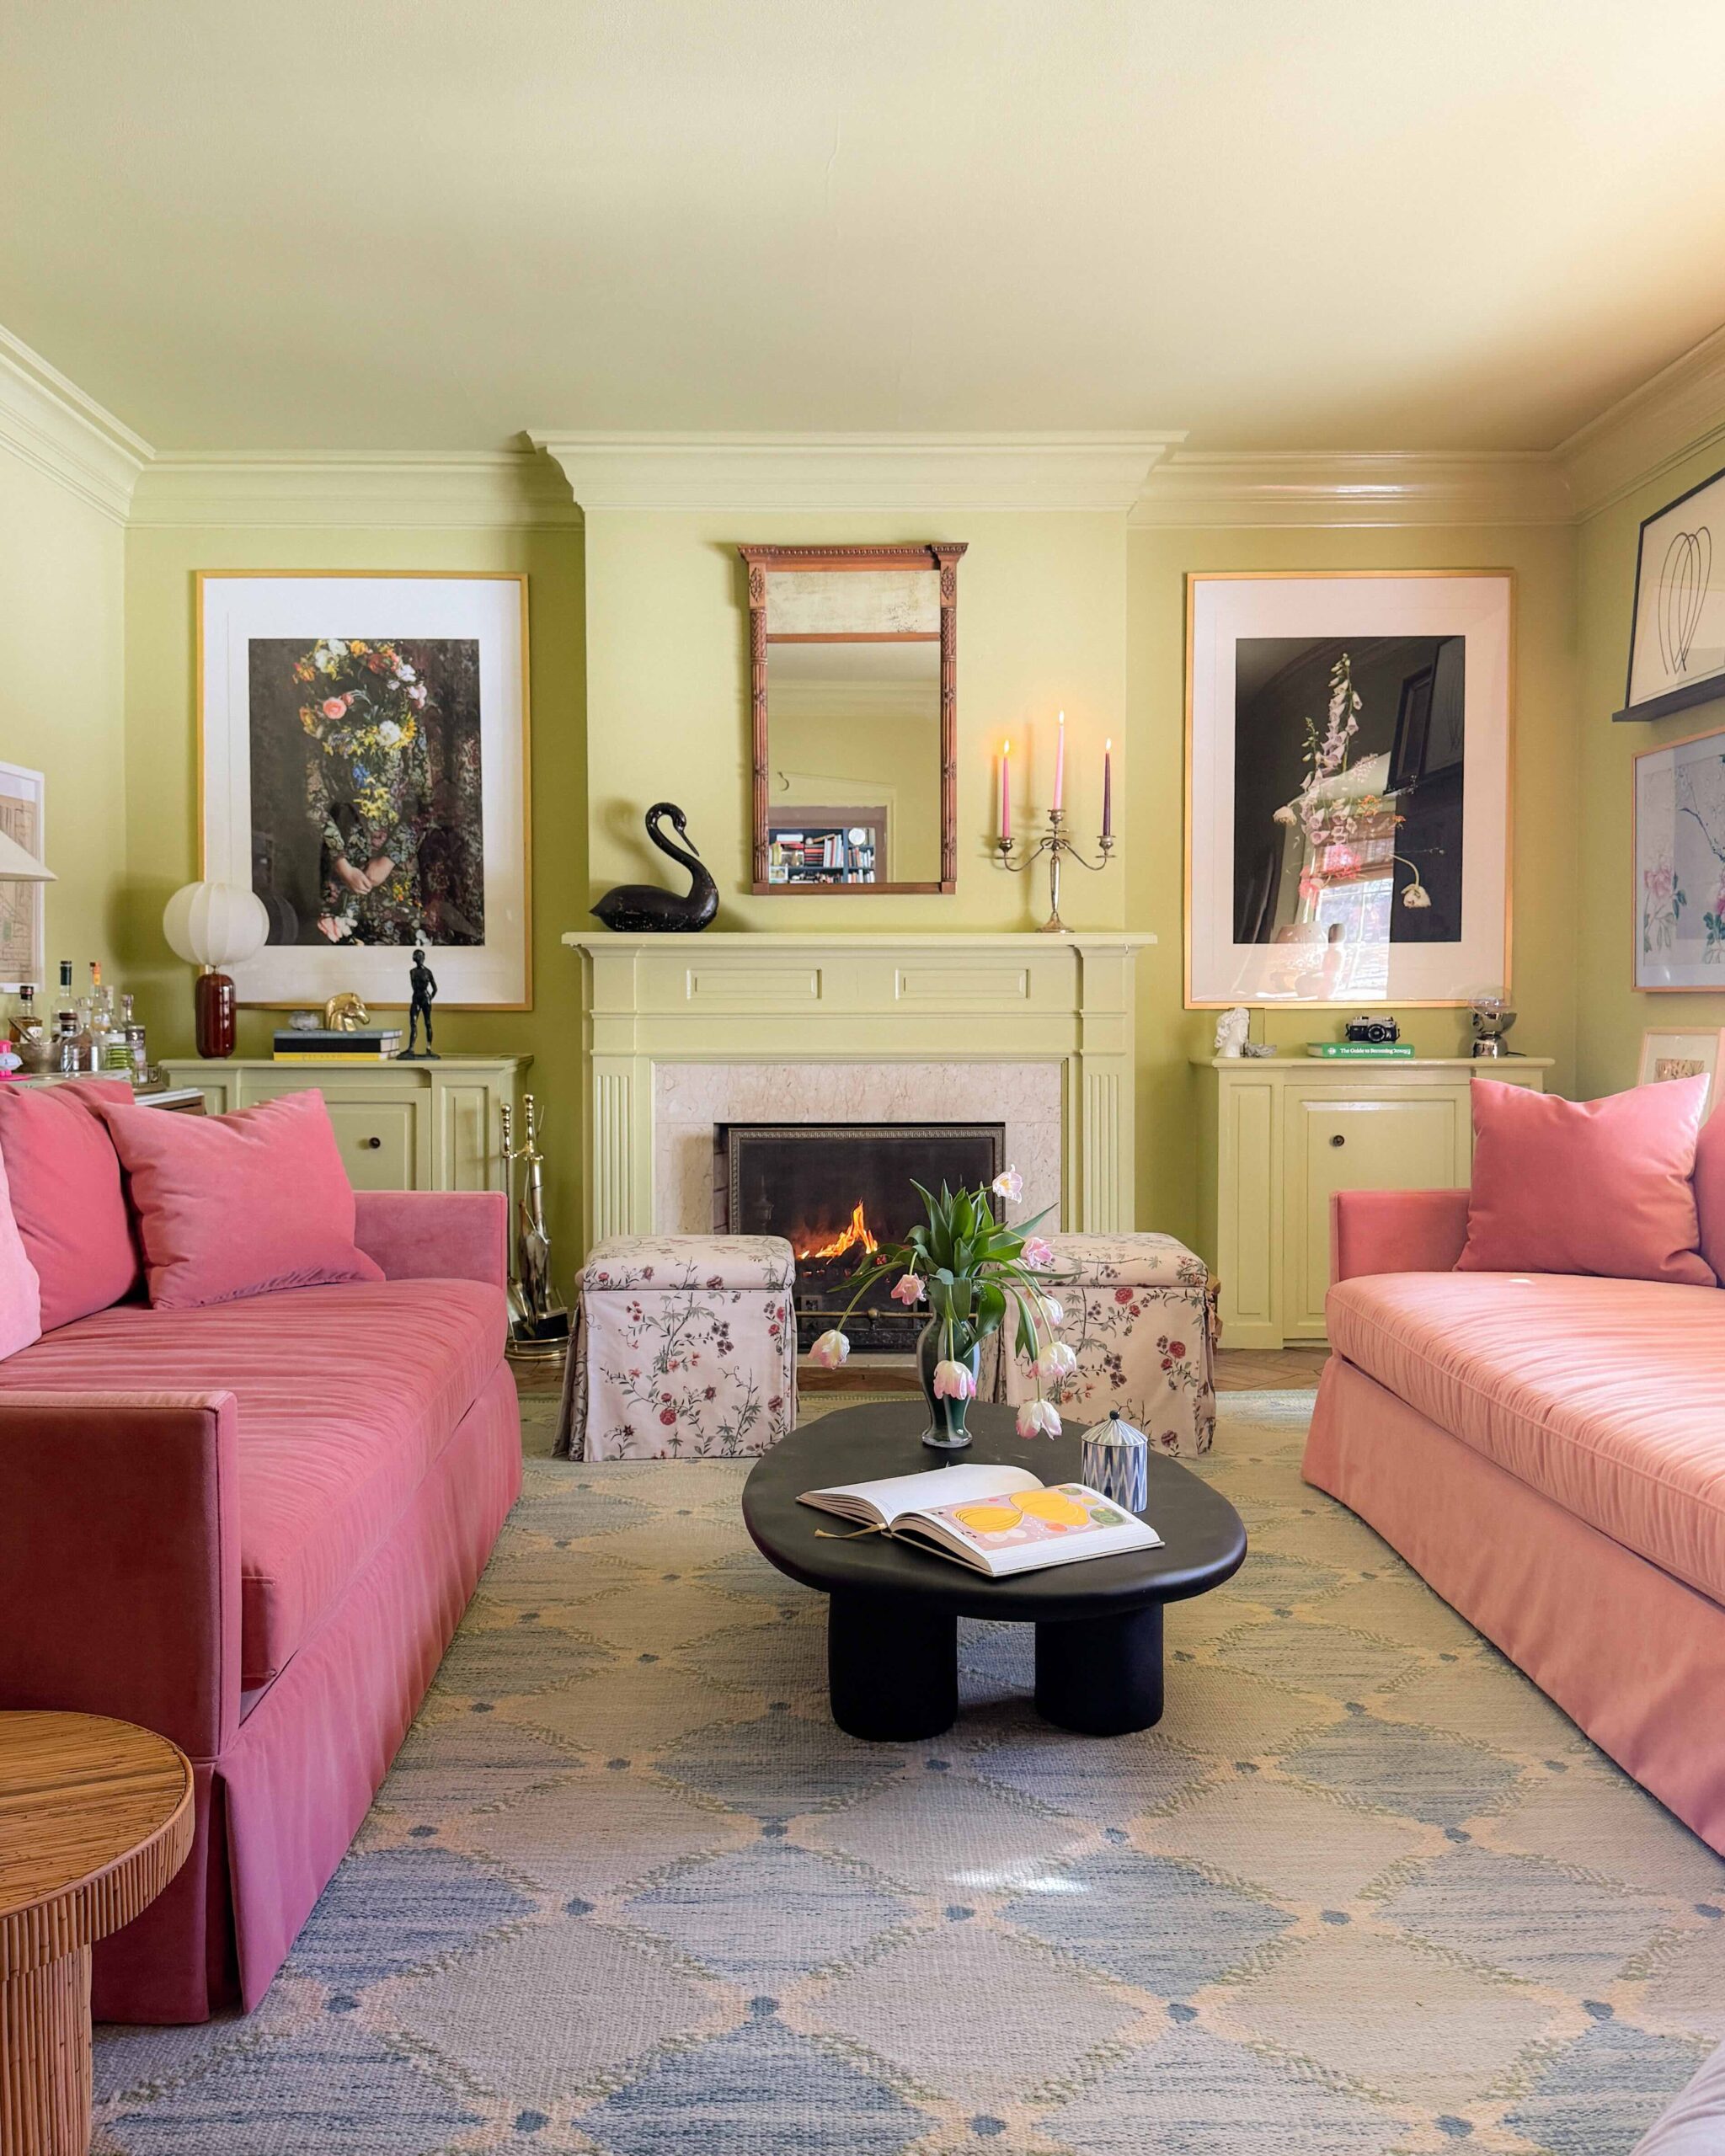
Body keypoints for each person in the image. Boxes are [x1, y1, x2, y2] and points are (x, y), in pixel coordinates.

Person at [404, 947, 439, 1059]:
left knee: (427, 1023)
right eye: (415, 955)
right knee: (413, 1023)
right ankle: (411, 1048)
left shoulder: (428, 972)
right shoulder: (412, 972)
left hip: (425, 998)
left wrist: (429, 999)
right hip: (416, 998)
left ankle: (429, 1048)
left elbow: (435, 988)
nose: (415, 957)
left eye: (418, 955)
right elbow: (413, 986)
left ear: (423, 958)